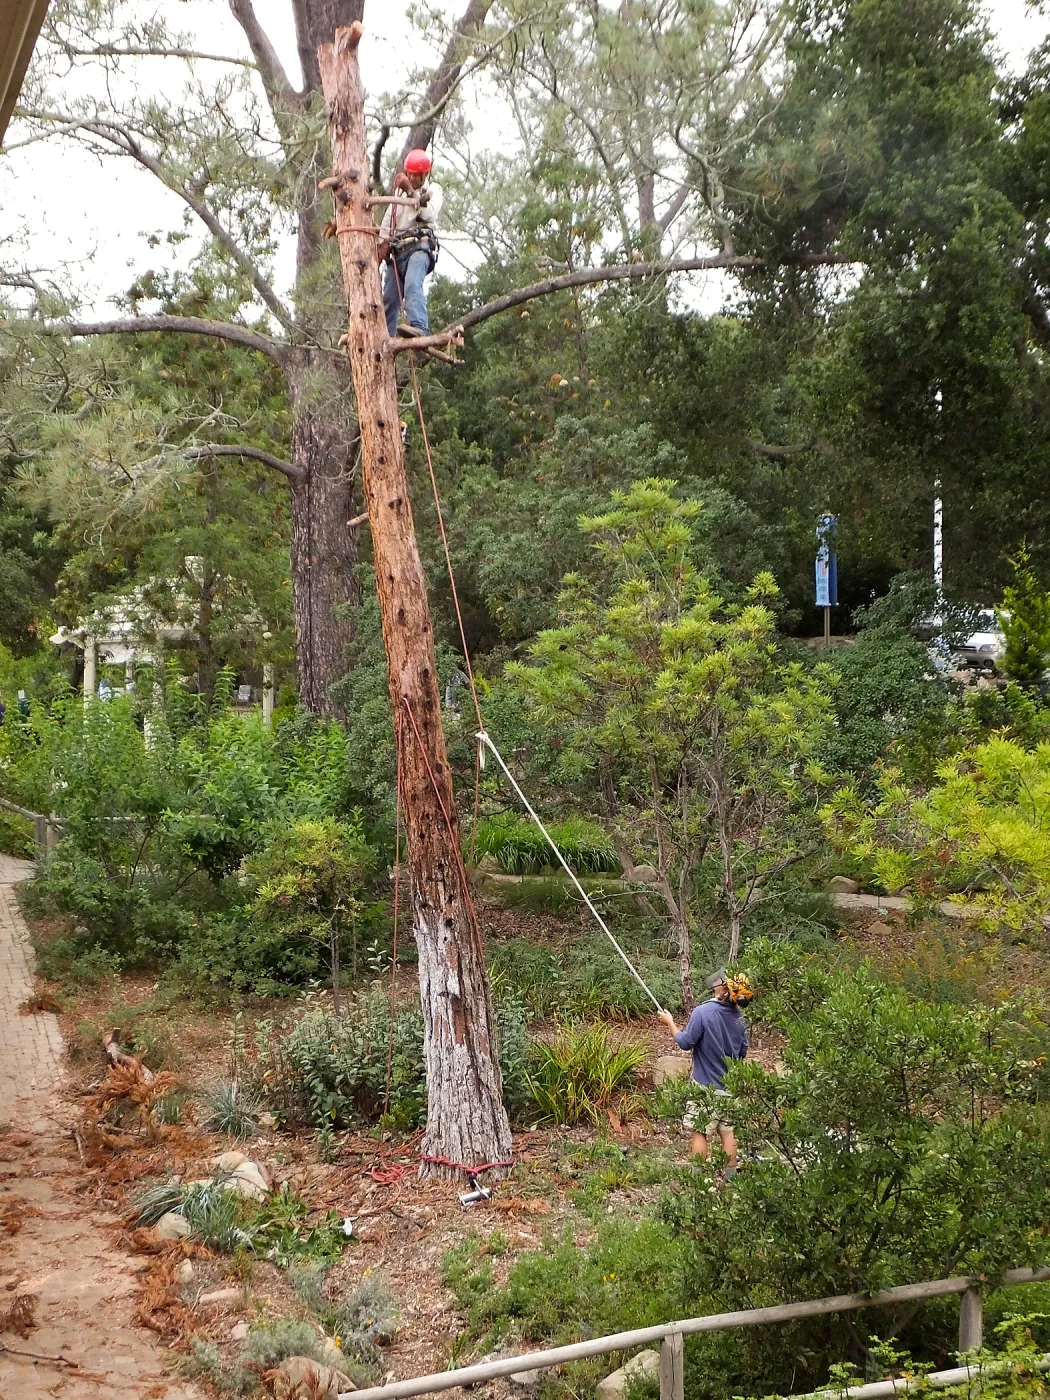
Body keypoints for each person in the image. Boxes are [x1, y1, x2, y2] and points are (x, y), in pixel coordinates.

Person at [658, 969, 751, 1172]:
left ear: (724, 990)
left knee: (700, 1131)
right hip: (730, 1088)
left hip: (705, 1088)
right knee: (728, 1133)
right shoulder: (740, 1019)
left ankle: (699, 1181)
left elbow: (685, 1042)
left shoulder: (702, 1012)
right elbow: (743, 1051)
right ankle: (731, 1179)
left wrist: (670, 1022)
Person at [378, 148, 442, 340]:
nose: (413, 178)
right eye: (410, 174)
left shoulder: (433, 190)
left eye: (416, 175)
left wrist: (411, 191)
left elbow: (427, 214)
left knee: (413, 284)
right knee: (389, 298)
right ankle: (384, 338)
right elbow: (387, 224)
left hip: (419, 248)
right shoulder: (397, 199)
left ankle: (419, 326)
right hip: (398, 254)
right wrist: (381, 247)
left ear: (425, 174)